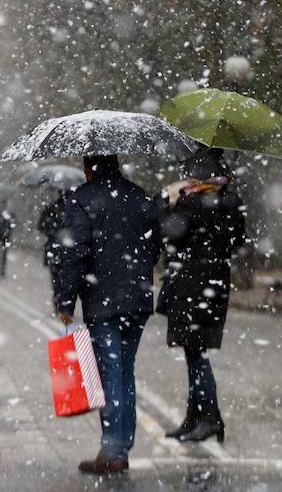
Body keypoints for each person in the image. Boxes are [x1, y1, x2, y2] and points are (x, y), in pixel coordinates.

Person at [57, 154, 161, 476]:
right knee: (124, 372)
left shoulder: (80, 198)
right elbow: (154, 246)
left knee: (109, 374)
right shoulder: (141, 196)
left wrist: (65, 302)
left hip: (103, 301)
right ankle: (121, 446)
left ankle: (113, 450)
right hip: (137, 299)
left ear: (89, 168)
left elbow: (73, 251)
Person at [157, 148, 246, 444]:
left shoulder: (190, 202)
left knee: (195, 354)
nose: (187, 178)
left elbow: (168, 233)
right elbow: (237, 241)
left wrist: (168, 203)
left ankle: (206, 419)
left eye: (191, 174)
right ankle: (198, 418)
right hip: (215, 283)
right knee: (196, 351)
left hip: (191, 284)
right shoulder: (231, 201)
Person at [37, 191, 67, 310]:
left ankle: (57, 301)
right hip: (68, 250)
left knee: (55, 277)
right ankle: (64, 303)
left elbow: (40, 226)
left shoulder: (50, 208)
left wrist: (51, 231)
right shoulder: (75, 210)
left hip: (53, 248)